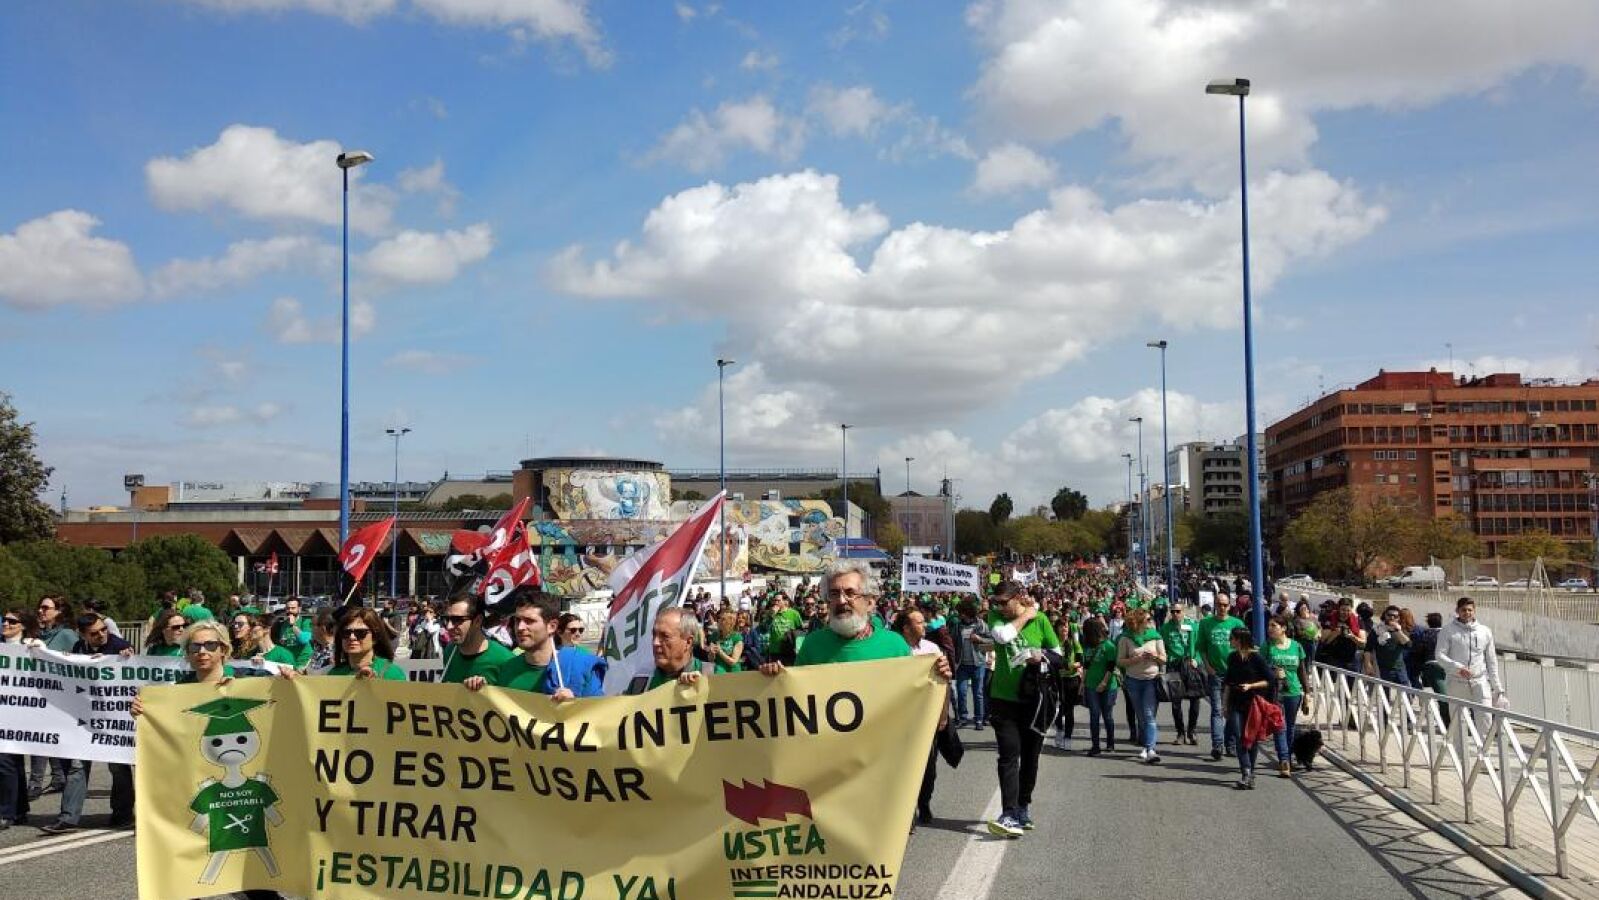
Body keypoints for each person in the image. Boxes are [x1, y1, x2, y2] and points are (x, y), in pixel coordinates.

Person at [43, 613, 136, 833]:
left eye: (103, 629)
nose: (102, 635)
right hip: (85, 721)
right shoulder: (78, 648)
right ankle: (68, 818)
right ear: (83, 634)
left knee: (118, 767)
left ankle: (122, 814)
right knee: (77, 766)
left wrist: (125, 656)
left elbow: (131, 672)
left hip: (113, 722)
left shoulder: (118, 645)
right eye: (95, 633)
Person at [983, 581, 1060, 837]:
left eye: (1004, 602)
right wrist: (1026, 614)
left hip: (1034, 700)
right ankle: (1009, 813)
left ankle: (1023, 806)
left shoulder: (1042, 621)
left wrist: (1042, 657)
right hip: (1003, 699)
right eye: (996, 602)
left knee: (1030, 757)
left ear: (1018, 597)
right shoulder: (996, 616)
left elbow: (1058, 655)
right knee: (1008, 756)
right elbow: (1002, 636)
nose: (1000, 607)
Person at [470, 588, 606, 698]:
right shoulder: (507, 669)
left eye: (529, 621)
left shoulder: (582, 667)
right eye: (517, 620)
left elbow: (598, 716)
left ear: (552, 626)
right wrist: (480, 690)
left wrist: (575, 706)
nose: (520, 627)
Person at [893, 607, 949, 830]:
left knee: (928, 768)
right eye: (918, 622)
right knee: (904, 768)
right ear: (906, 628)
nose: (924, 625)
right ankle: (907, 812)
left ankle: (924, 802)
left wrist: (943, 715)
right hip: (901, 718)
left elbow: (944, 682)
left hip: (927, 716)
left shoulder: (931, 648)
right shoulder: (894, 649)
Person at [1433, 598, 1504, 730]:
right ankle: (1458, 745)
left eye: (1470, 610)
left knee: (1485, 720)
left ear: (1474, 611)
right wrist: (1458, 668)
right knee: (1457, 723)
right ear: (1457, 611)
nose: (1467, 613)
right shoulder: (1448, 630)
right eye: (1463, 610)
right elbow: (1439, 655)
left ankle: (1483, 744)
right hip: (1456, 682)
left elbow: (1491, 660)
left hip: (1480, 681)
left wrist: (1497, 687)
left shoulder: (1485, 631)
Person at [1223, 627, 1275, 790]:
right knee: (1240, 737)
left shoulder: (1256, 657)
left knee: (1251, 739)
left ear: (1239, 640)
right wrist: (1224, 704)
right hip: (1235, 702)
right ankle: (1245, 772)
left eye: (1232, 638)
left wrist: (1251, 686)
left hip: (1254, 704)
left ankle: (1251, 772)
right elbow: (1228, 682)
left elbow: (1270, 680)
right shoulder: (1232, 657)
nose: (1230, 641)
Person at [0, 609, 38, 828]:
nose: (5, 623)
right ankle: (20, 810)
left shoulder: (32, 646)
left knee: (4, 761)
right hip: (3, 711)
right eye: (4, 620)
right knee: (13, 763)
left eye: (11, 621)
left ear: (22, 625)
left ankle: (6, 812)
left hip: (21, 714)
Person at [1195, 598, 1245, 761]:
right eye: (1219, 605)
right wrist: (1207, 666)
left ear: (1229, 606)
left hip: (1234, 674)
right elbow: (1201, 647)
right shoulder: (1206, 623)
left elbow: (1245, 647)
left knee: (1231, 710)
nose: (1222, 607)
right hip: (1215, 673)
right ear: (1215, 605)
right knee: (1217, 710)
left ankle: (1230, 744)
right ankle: (1217, 745)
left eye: (1225, 605)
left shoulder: (1237, 623)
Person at [1116, 607, 1166, 764]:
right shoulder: (1125, 638)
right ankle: (1146, 745)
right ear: (1138, 622)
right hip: (1133, 681)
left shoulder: (1156, 636)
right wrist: (1135, 660)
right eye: (1147, 619)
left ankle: (1151, 749)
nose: (1150, 622)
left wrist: (1155, 656)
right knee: (1141, 716)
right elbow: (1120, 661)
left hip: (1151, 679)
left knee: (1149, 714)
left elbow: (1164, 659)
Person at [1264, 615, 1310, 776]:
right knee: (1279, 726)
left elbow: (1302, 670)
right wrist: (1272, 672)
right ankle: (1283, 759)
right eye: (1269, 625)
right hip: (1275, 693)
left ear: (1283, 628)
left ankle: (1288, 759)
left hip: (1294, 692)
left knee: (1290, 727)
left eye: (1273, 625)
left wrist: (1307, 693)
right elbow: (1260, 669)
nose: (1270, 629)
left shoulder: (1296, 646)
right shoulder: (1267, 646)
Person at [624, 607, 707, 694]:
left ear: (688, 642)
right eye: (654, 635)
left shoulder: (710, 675)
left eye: (665, 636)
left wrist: (705, 689)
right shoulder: (641, 680)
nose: (655, 643)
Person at [439, 592, 515, 685]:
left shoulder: (506, 660)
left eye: (457, 620)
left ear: (478, 620)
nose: (449, 626)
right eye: (447, 619)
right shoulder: (450, 650)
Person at [324, 607, 407, 681]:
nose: (352, 637)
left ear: (375, 637)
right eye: (346, 633)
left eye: (361, 633)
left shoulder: (392, 674)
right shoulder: (334, 674)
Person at [1158, 604, 1200, 745]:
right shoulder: (1165, 628)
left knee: (1195, 699)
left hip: (1190, 664)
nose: (1175, 614)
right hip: (1174, 665)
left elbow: (1199, 645)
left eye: (1178, 611)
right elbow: (1162, 647)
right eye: (1173, 611)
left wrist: (1196, 659)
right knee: (1176, 701)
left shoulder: (1193, 625)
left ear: (1183, 612)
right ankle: (1180, 732)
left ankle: (1192, 731)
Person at [949, 598, 993, 730]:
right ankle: (963, 717)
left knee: (978, 693)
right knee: (961, 692)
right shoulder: (958, 626)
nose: (960, 615)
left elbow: (992, 641)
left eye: (962, 612)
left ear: (968, 612)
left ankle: (978, 719)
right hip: (962, 665)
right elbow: (952, 642)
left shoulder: (981, 625)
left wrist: (979, 639)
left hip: (978, 664)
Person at [1081, 617, 1119, 757]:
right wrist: (1082, 683)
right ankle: (1095, 746)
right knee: (1094, 715)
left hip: (1108, 686)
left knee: (1107, 715)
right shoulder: (1088, 647)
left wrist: (1103, 683)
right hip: (1091, 685)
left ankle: (1110, 743)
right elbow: (1086, 666)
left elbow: (1111, 667)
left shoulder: (1109, 646)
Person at [1052, 616, 1082, 752]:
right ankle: (1059, 730)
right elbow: (1052, 661)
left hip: (1071, 680)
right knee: (1057, 708)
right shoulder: (1053, 642)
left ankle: (1068, 737)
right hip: (1057, 679)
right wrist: (1069, 665)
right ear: (1057, 628)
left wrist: (1071, 666)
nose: (1064, 628)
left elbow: (1080, 660)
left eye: (1066, 626)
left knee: (1069, 709)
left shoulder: (1074, 642)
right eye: (1061, 626)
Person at [1364, 605, 1411, 686]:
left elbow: (1408, 645)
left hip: (1400, 668)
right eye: (1389, 615)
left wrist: (1398, 631)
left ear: (1398, 618)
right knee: (1384, 692)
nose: (1392, 618)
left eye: (1395, 616)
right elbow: (1368, 649)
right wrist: (1368, 665)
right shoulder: (1376, 630)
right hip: (1383, 669)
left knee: (1406, 692)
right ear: (1385, 615)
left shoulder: (1400, 630)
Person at [709, 609, 744, 674]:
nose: (719, 620)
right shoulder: (715, 635)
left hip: (732, 672)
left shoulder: (737, 638)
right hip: (718, 671)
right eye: (719, 618)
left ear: (730, 623)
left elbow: (733, 662)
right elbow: (710, 659)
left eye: (723, 619)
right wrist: (711, 653)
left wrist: (720, 652)